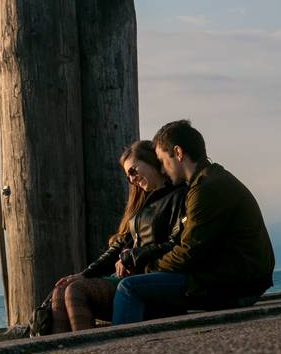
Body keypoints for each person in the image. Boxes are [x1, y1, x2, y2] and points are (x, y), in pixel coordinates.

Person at [112, 120, 275, 325]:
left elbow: (188, 253)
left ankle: (123, 352)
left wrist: (145, 269)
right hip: (239, 279)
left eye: (162, 161)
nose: (162, 168)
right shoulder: (210, 179)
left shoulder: (205, 189)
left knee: (129, 287)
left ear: (178, 153)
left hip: (234, 285)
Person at [49, 140, 187, 333]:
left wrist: (131, 256)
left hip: (146, 277)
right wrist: (84, 274)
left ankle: (88, 352)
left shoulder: (178, 196)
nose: (131, 179)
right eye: (128, 176)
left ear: (152, 161)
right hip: (128, 273)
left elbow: (176, 243)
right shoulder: (142, 207)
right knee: (61, 290)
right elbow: (118, 247)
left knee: (76, 291)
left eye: (133, 171)